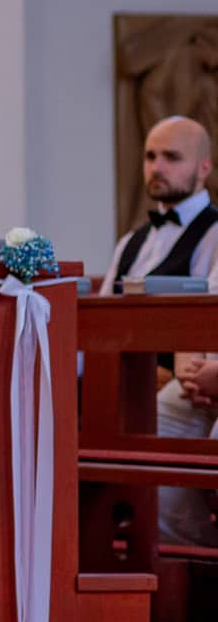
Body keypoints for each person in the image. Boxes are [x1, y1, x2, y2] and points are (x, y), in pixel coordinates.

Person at [101, 115, 218, 546]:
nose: (157, 168)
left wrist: (193, 371)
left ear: (203, 167)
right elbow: (103, 318)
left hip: (184, 376)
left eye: (171, 157)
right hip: (139, 380)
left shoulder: (213, 235)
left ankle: (189, 561)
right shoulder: (132, 241)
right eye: (151, 157)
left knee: (154, 430)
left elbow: (202, 316)